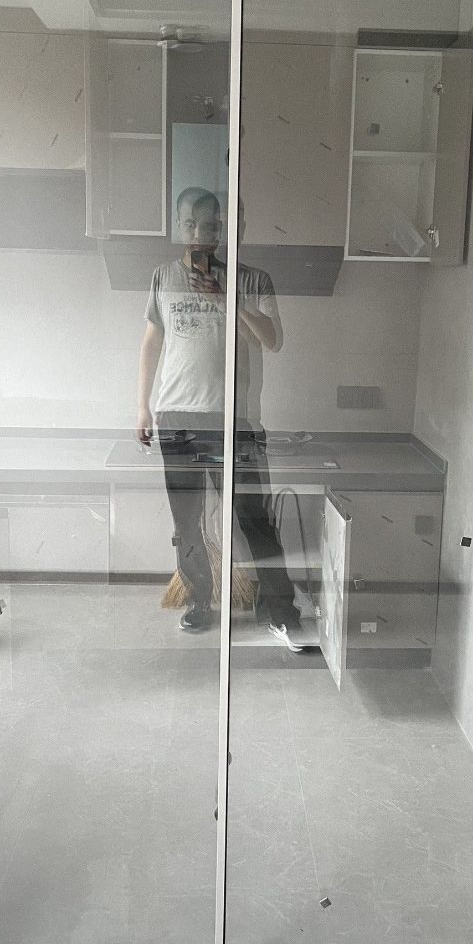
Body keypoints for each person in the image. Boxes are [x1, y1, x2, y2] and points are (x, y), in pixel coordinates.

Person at [137, 187, 305, 652]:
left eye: (210, 225)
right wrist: (142, 406)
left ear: (228, 228)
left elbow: (273, 339)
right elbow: (152, 343)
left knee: (255, 520)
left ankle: (281, 612)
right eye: (190, 224)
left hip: (236, 422)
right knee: (187, 524)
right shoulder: (162, 277)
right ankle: (199, 601)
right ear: (178, 227)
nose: (200, 234)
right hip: (176, 419)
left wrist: (227, 296)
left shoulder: (253, 279)